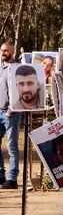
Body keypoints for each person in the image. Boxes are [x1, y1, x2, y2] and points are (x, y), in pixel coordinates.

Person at [0, 42, 21, 188]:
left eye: (5, 50)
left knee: (12, 145)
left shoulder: (17, 68)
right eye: (1, 50)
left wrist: (11, 110)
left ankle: (12, 179)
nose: (2, 53)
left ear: (12, 52)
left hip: (11, 113)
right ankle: (0, 175)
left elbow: (20, 91)